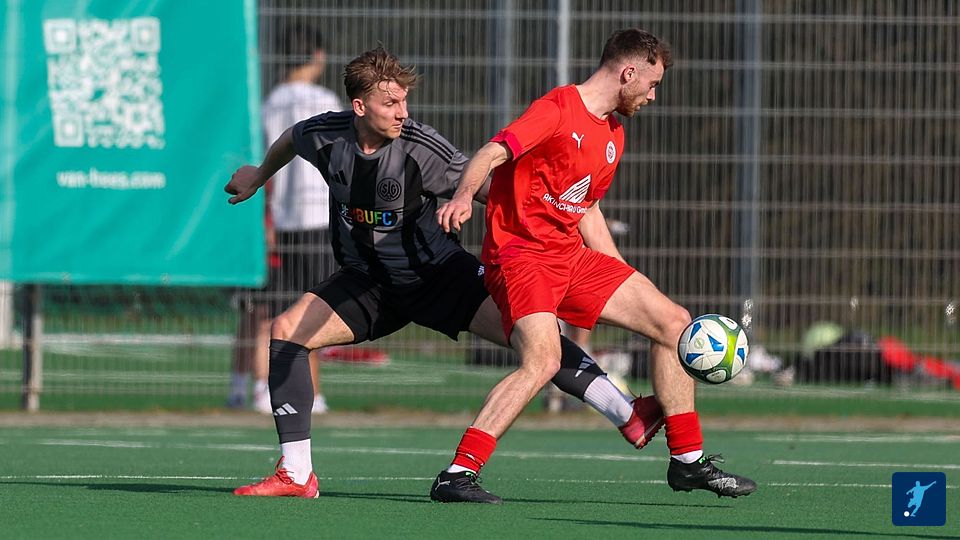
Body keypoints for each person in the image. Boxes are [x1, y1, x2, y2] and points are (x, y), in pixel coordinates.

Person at [225, 46, 666, 498]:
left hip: (439, 277)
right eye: (390, 103)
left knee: (537, 343)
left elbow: (490, 187)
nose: (403, 112)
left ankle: (627, 413)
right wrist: (258, 176)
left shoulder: (420, 147)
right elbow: (291, 139)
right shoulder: (325, 135)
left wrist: (558, 211)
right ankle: (297, 474)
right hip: (369, 284)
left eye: (404, 100)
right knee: (287, 332)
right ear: (359, 107)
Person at [433, 28, 757, 502]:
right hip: (522, 257)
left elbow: (586, 209)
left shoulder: (613, 134)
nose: (652, 96)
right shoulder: (557, 108)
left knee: (673, 322)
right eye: (651, 84)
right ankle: (458, 473)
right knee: (543, 361)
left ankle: (688, 462)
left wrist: (623, 277)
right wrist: (464, 196)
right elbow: (491, 152)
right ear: (628, 73)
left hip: (570, 256)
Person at [227, 21, 341, 414]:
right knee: (315, 310)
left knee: (269, 312)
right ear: (318, 56)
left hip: (278, 220)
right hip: (319, 219)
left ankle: (261, 389)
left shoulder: (269, 103)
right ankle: (312, 395)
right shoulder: (326, 100)